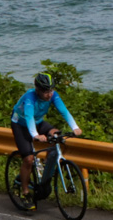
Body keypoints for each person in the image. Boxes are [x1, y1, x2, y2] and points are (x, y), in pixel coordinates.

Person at [10, 72, 83, 205]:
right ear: (37, 90)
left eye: (51, 90)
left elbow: (64, 111)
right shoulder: (30, 98)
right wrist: (35, 135)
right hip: (21, 125)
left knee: (55, 134)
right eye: (45, 91)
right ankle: (25, 191)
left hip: (38, 122)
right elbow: (29, 117)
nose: (49, 94)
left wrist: (75, 127)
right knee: (28, 159)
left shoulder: (52, 95)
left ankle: (44, 167)